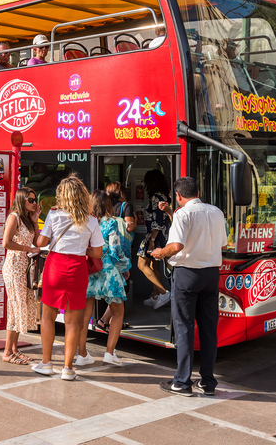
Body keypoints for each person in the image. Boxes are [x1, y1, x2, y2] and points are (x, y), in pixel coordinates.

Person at [151, 176, 227, 396]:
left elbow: (176, 245)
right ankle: (208, 382)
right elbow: (222, 243)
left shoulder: (182, 214)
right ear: (198, 191)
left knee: (184, 328)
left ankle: (182, 382)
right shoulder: (216, 212)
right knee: (208, 329)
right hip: (211, 274)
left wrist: (160, 253)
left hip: (186, 275)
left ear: (178, 196)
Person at [32, 175, 103, 381]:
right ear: (82, 195)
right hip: (77, 268)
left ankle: (46, 363)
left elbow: (42, 241)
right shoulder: (91, 219)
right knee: (73, 321)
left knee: (47, 316)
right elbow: (97, 253)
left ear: (61, 196)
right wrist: (80, 250)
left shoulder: (54, 215)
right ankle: (68, 368)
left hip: (54, 266)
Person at [77, 190, 131, 367]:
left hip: (89, 271)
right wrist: (125, 268)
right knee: (118, 313)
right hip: (108, 271)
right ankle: (109, 353)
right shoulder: (111, 223)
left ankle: (82, 353)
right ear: (108, 205)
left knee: (85, 315)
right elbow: (116, 250)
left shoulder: (84, 222)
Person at [1, 187, 41, 365]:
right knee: (15, 306)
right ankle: (7, 352)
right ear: (22, 200)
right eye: (30, 200)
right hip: (14, 266)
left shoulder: (27, 219)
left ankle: (15, 349)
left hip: (25, 267)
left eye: (35, 200)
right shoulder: (14, 217)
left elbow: (36, 242)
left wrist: (35, 221)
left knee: (21, 306)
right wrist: (27, 249)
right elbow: (6, 243)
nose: (34, 203)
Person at [97, 181, 135, 331]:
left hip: (104, 255)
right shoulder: (126, 206)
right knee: (120, 289)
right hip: (120, 249)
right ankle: (105, 320)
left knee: (114, 290)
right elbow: (130, 226)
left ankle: (109, 320)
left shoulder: (104, 208)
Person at [137, 169, 171, 309]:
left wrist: (151, 240)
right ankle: (156, 296)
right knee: (153, 265)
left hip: (156, 236)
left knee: (142, 264)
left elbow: (158, 221)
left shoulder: (157, 196)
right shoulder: (164, 195)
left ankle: (163, 293)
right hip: (162, 236)